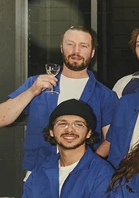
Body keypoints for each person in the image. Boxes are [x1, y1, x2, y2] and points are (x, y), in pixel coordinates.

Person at [0, 26, 117, 172]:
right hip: (38, 172)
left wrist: (86, 165)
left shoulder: (105, 95)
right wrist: (31, 92)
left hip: (84, 176)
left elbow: (111, 139)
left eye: (83, 46)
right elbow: (2, 118)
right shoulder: (36, 83)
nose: (76, 51)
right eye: (70, 44)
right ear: (62, 48)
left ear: (92, 52)